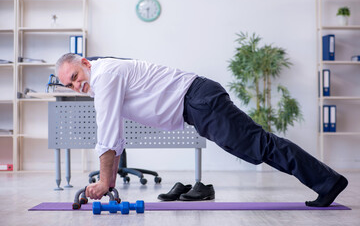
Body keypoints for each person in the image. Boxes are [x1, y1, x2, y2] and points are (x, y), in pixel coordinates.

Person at [55, 53, 348, 207]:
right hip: (197, 103)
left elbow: (106, 135)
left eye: (75, 76)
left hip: (199, 100)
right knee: (255, 149)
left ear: (84, 63)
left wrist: (105, 182)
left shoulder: (105, 75)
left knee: (260, 145)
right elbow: (115, 136)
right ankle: (326, 182)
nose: (76, 85)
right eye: (69, 85)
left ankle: (328, 182)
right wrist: (109, 181)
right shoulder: (99, 82)